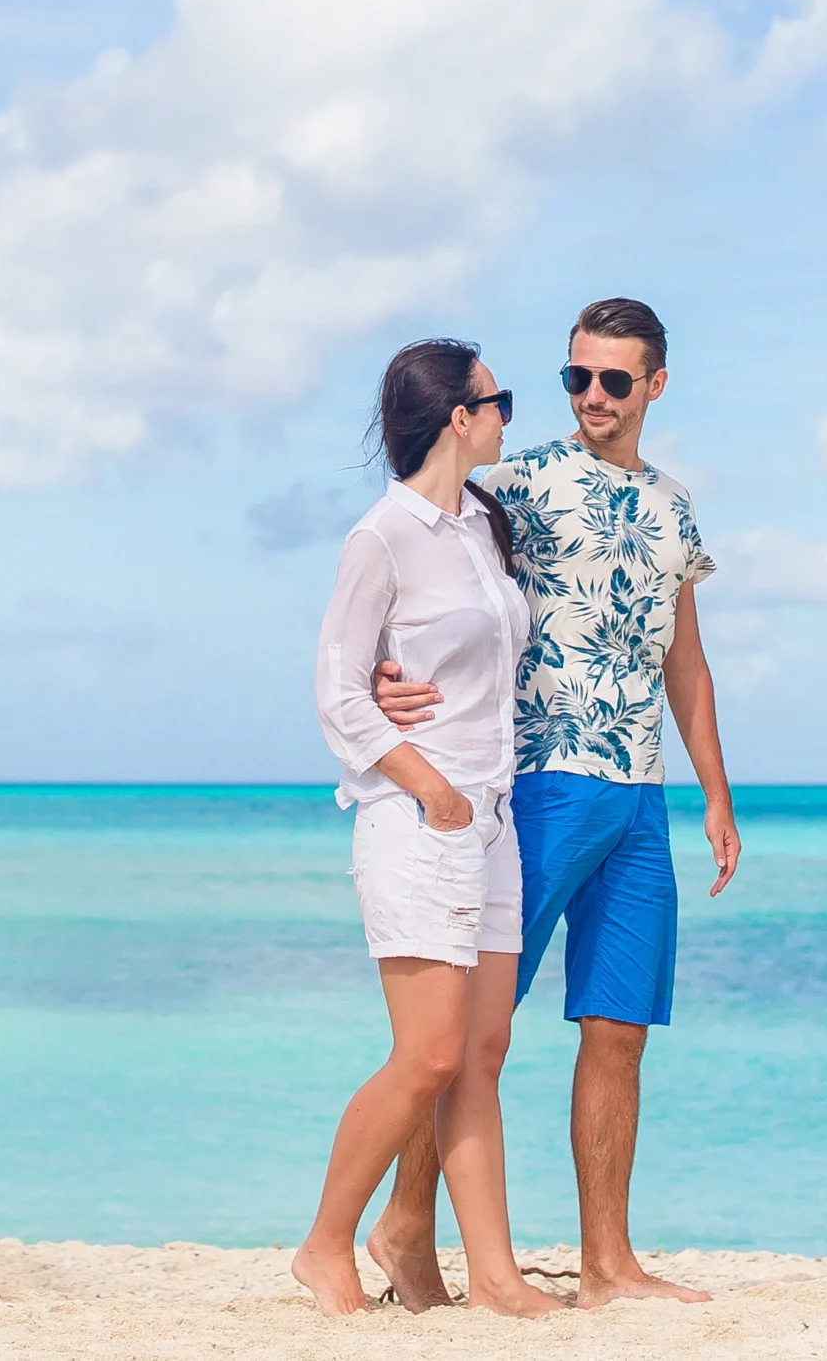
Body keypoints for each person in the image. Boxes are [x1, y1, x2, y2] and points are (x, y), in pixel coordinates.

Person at [364, 297, 741, 1312]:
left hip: (638, 797)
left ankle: (608, 1264)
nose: (591, 398)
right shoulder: (517, 484)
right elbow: (415, 559)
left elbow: (687, 662)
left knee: (619, 1028)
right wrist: (380, 675)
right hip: (535, 783)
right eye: (577, 377)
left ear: (654, 385)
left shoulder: (673, 509)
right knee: (469, 1034)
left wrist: (716, 791)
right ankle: (404, 1225)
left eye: (614, 381)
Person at [291, 339, 561, 1320]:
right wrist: (428, 785)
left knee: (481, 1055)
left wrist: (471, 800)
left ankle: (495, 1278)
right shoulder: (383, 536)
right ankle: (325, 1245)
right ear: (459, 414)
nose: (507, 418)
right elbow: (336, 689)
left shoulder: (484, 526)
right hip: (417, 820)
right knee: (430, 1057)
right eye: (500, 401)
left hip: (492, 824)